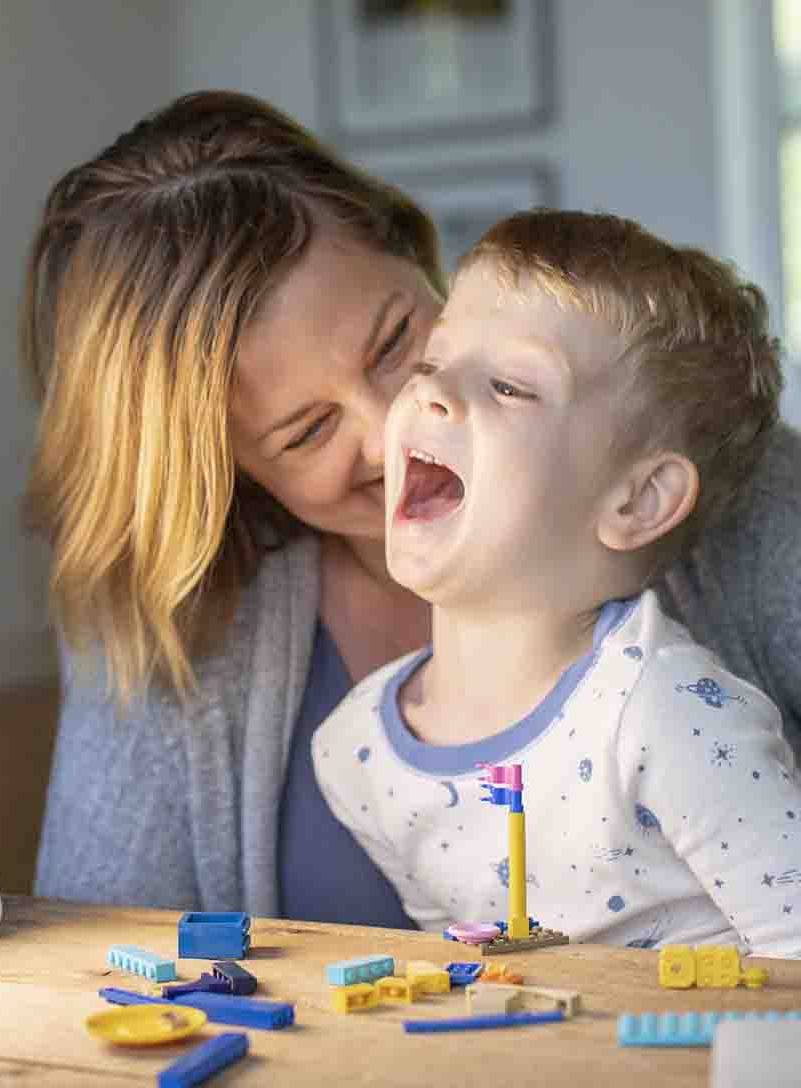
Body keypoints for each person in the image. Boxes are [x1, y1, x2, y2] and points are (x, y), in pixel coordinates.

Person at [22, 90, 801, 925]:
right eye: (308, 431)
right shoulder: (195, 640)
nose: (398, 419)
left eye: (398, 344)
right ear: (233, 476)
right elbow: (103, 964)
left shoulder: (735, 501)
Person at [313, 209, 801, 955]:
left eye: (509, 385)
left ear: (638, 502)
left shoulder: (669, 718)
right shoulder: (355, 753)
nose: (430, 393)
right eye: (429, 364)